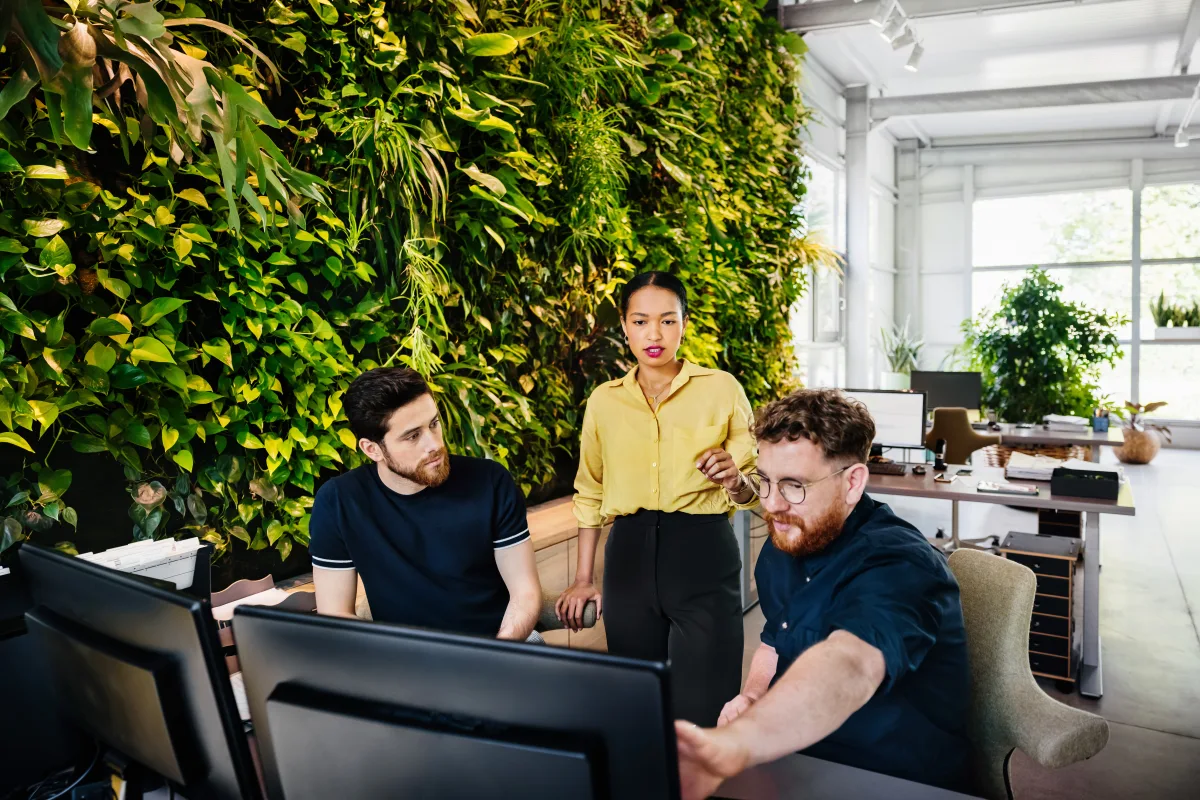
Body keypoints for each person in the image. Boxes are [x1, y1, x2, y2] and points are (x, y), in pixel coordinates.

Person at [674, 389, 971, 799]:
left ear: (852, 483)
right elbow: (775, 642)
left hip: (893, 775)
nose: (773, 504)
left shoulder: (900, 564)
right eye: (765, 481)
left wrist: (740, 743)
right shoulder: (787, 545)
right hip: (802, 761)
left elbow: (850, 664)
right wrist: (753, 696)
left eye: (794, 485)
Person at [556, 271, 758, 727]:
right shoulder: (604, 402)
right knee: (637, 702)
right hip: (628, 556)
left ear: (684, 325)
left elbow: (752, 489)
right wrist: (585, 577)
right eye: (641, 321)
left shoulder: (721, 388)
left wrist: (733, 479)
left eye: (667, 321)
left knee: (705, 709)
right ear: (625, 327)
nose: (654, 334)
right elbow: (590, 490)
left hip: (703, 552)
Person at [308, 367, 542, 642]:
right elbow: (335, 617)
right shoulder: (338, 502)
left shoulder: (490, 482)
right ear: (372, 449)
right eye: (412, 435)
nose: (433, 444)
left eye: (434, 424)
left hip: (500, 646)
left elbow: (525, 593)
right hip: (403, 663)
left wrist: (493, 657)